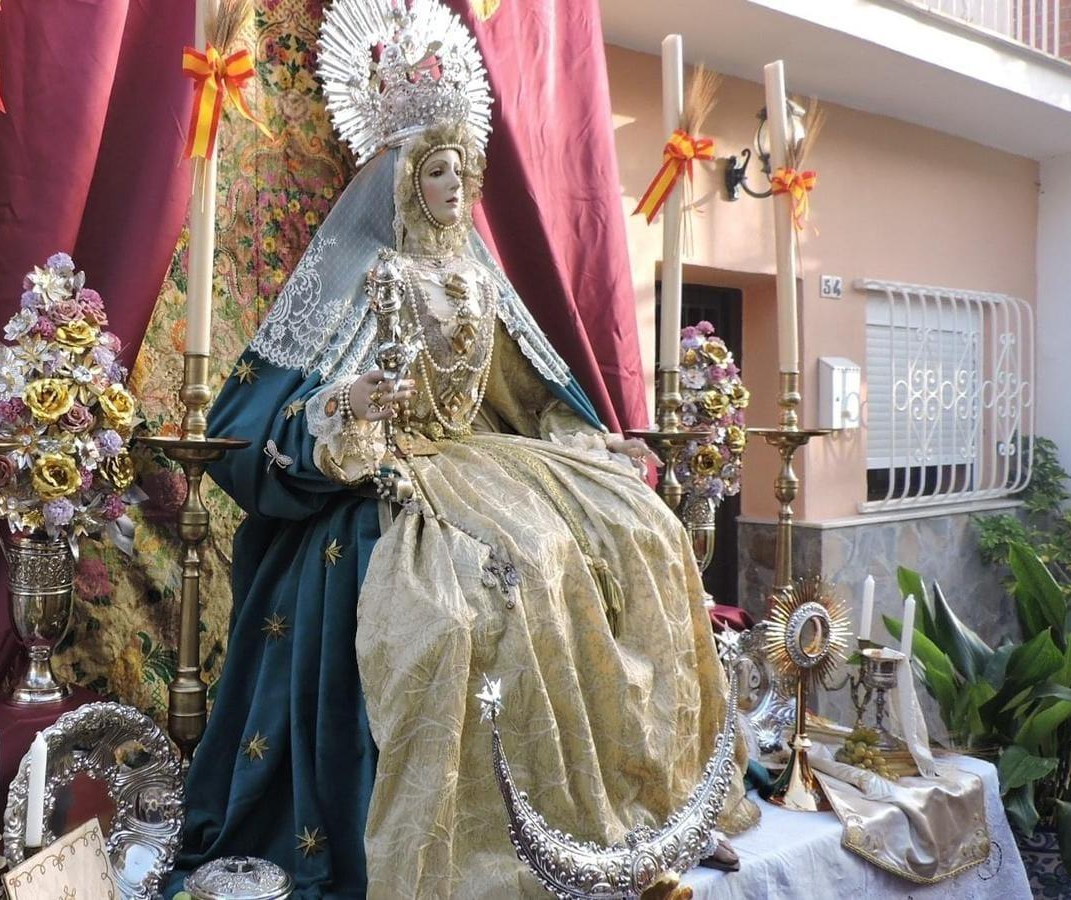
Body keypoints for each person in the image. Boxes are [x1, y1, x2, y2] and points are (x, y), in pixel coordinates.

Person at [168, 1, 756, 896]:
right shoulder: (366, 277)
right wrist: (349, 406)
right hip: (388, 472)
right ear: (404, 178)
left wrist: (589, 443)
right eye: (437, 170)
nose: (455, 187)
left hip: (481, 459)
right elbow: (261, 420)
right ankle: (475, 840)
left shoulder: (477, 280)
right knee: (469, 596)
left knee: (636, 528)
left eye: (462, 170)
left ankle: (649, 800)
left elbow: (528, 393)